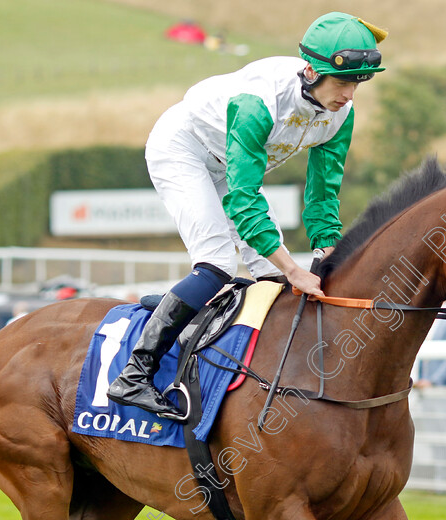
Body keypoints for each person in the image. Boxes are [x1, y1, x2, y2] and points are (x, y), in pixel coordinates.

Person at [107, 12, 388, 419]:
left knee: (272, 279)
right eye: (343, 82)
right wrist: (294, 268)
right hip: (183, 151)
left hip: (229, 168)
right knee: (217, 263)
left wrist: (326, 244)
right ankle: (135, 374)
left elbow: (324, 188)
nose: (349, 95)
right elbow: (243, 201)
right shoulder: (257, 101)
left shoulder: (340, 113)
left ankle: (210, 333)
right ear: (311, 71)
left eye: (358, 84)